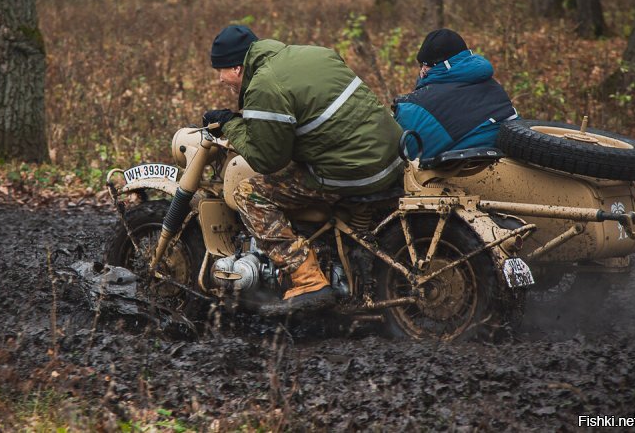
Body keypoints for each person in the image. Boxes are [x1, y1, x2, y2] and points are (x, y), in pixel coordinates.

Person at [203, 25, 403, 312]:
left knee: (250, 193)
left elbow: (267, 160)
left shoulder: (264, 84)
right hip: (391, 157)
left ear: (237, 68)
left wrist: (230, 123)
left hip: (356, 170)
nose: (224, 82)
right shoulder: (316, 54)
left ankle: (307, 279)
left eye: (222, 75)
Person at [393, 29, 517, 160]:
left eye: (422, 65)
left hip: (462, 173)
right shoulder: (492, 85)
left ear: (425, 67)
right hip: (505, 165)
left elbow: (408, 156)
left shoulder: (417, 105)